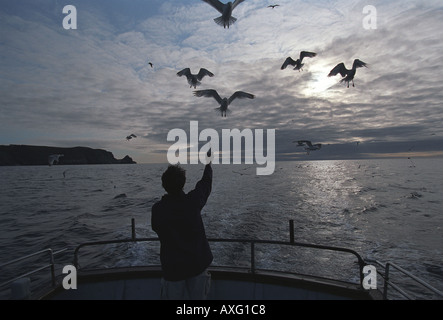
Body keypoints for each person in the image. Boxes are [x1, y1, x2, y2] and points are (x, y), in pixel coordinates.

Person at [151, 151, 213, 300]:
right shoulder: (193, 202)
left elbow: (156, 228)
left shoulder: (158, 209)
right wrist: (208, 163)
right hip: (197, 265)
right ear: (183, 182)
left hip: (173, 270)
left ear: (163, 185)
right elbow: (205, 183)